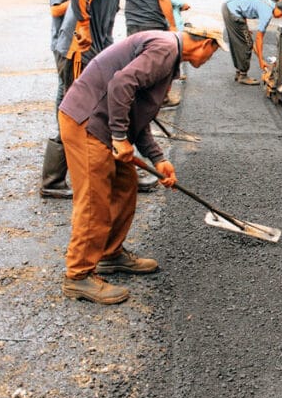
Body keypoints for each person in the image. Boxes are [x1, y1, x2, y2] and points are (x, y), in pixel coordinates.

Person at [58, 26, 227, 304]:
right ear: (206, 44)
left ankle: (110, 254)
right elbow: (120, 85)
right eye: (214, 51)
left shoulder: (168, 55)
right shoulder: (166, 49)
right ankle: (78, 276)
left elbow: (137, 112)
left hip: (102, 123)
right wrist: (120, 137)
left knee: (124, 185)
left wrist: (158, 159)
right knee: (94, 201)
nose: (211, 58)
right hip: (88, 122)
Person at [40, 0, 102, 199]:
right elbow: (55, 10)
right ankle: (51, 181)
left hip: (73, 46)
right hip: (65, 47)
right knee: (66, 101)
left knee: (65, 97)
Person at [222, 0, 282, 85]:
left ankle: (239, 73)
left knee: (238, 42)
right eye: (281, 13)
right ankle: (243, 75)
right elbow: (259, 38)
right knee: (247, 44)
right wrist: (261, 61)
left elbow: (244, 8)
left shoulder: (269, 3)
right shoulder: (267, 13)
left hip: (228, 7)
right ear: (278, 7)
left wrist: (245, 27)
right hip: (232, 11)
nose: (280, 16)